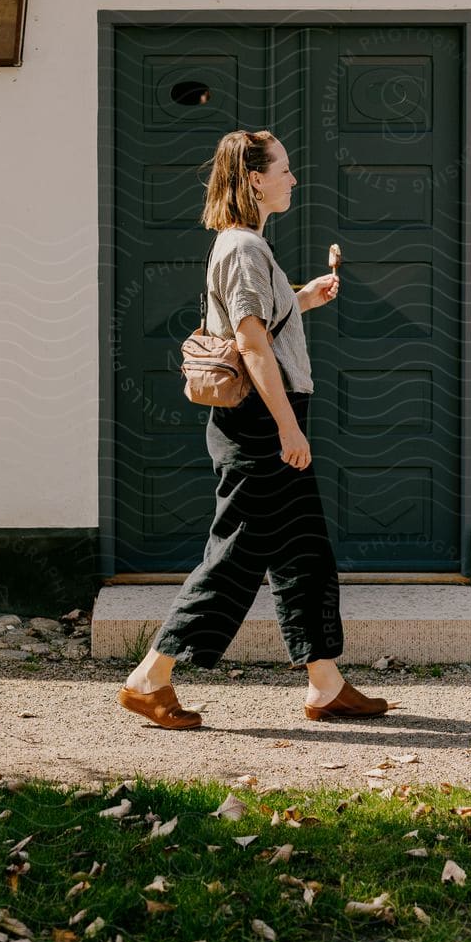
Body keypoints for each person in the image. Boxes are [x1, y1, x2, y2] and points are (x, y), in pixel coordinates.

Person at [117, 127, 389, 730]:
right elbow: (251, 344)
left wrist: (305, 299)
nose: (292, 178)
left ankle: (326, 684)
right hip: (260, 422)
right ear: (253, 179)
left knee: (305, 551)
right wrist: (289, 430)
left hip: (268, 417)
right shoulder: (241, 248)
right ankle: (150, 677)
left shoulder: (248, 248)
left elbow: (258, 320)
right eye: (283, 169)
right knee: (236, 554)